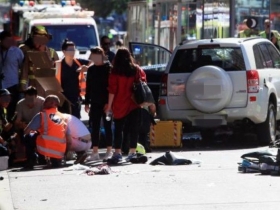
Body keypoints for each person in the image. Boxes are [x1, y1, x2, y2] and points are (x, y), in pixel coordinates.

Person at [104, 47, 147, 163]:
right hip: (134, 103)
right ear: (129, 57)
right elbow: (143, 82)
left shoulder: (114, 71)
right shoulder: (136, 69)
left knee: (118, 130)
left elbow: (112, 90)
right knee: (134, 129)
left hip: (119, 104)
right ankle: (132, 152)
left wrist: (109, 106)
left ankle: (117, 153)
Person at [84, 47, 113, 161]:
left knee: (108, 126)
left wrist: (108, 103)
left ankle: (109, 150)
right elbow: (88, 87)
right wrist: (86, 102)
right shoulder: (91, 70)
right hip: (95, 102)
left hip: (107, 103)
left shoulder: (109, 68)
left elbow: (111, 87)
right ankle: (95, 151)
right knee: (94, 127)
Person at [24, 95, 67, 169]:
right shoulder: (62, 116)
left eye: (47, 101)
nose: (44, 103)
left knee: (28, 136)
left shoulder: (42, 115)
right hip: (60, 149)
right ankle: (55, 159)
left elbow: (26, 131)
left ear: (54, 104)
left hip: (46, 146)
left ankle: (31, 160)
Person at [55, 39, 91, 119]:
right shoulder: (58, 65)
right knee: (63, 121)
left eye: (74, 49)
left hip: (75, 97)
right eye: (70, 50)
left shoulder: (78, 63)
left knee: (75, 120)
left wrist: (87, 68)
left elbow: (93, 63)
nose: (73, 52)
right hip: (62, 98)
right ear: (64, 51)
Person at [19, 25, 59, 92]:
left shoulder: (52, 53)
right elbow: (24, 72)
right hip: (33, 88)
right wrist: (23, 87)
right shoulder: (29, 53)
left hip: (48, 88)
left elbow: (58, 73)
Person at [14, 86, 45, 165]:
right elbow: (18, 121)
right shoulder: (20, 104)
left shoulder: (42, 102)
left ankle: (41, 156)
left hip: (39, 127)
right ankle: (30, 158)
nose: (29, 103)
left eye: (32, 100)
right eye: (27, 100)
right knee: (26, 137)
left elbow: (45, 119)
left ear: (36, 97)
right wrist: (24, 126)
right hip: (26, 126)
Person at [0, 31, 24, 121]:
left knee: (11, 109)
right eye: (6, 41)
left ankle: (10, 130)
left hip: (12, 85)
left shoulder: (17, 52)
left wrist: (22, 85)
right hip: (0, 86)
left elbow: (23, 68)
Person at [0, 89, 17, 166]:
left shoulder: (4, 110)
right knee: (4, 150)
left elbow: (6, 127)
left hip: (1, 134)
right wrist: (4, 143)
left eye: (9, 99)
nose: (7, 101)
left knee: (14, 138)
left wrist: (12, 137)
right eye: (5, 99)